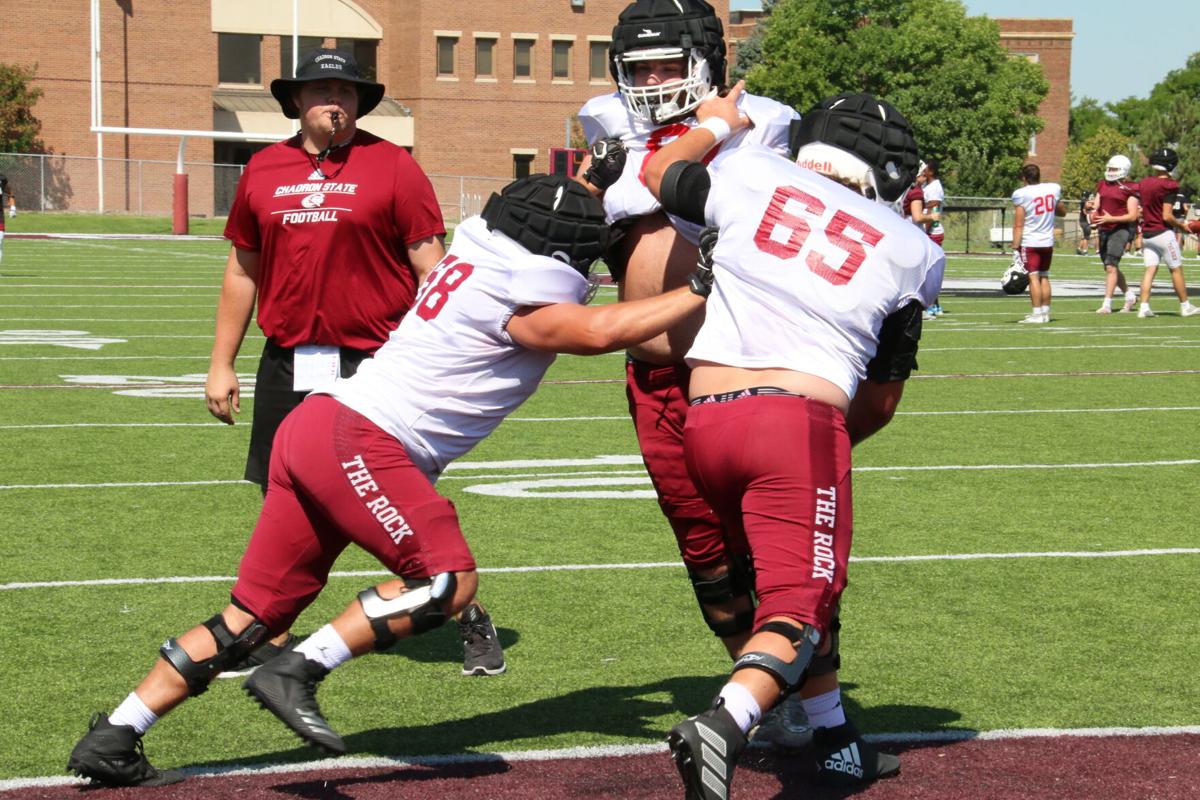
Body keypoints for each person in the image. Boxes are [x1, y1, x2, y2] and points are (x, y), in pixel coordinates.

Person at [66, 174, 715, 787]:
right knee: (446, 579)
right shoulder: (521, 300)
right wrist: (699, 285)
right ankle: (299, 670)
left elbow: (554, 251)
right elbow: (599, 330)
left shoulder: (483, 262)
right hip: (360, 440)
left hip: (318, 428)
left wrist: (594, 180)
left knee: (253, 615)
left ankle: (117, 733)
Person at [575, 0, 894, 779]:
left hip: (740, 369)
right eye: (637, 68)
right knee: (710, 561)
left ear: (707, 64)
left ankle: (823, 716)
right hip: (651, 383)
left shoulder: (762, 126)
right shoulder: (603, 129)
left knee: (787, 556)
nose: (649, 82)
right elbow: (585, 236)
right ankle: (778, 693)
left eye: (664, 65)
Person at [643, 87, 943, 800]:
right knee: (799, 603)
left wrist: (715, 122)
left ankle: (837, 740)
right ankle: (724, 723)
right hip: (795, 422)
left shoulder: (749, 173)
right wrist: (827, 444)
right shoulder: (913, 249)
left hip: (706, 418)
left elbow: (659, 173)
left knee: (796, 585)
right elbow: (883, 394)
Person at [203, 47, 505, 678]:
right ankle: (269, 633)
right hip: (287, 360)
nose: (332, 99)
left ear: (361, 101)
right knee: (281, 495)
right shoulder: (262, 169)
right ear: (296, 100)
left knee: (396, 498)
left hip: (375, 361)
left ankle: (465, 612)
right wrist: (221, 362)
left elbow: (433, 267)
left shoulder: (393, 167)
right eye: (319, 89)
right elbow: (241, 270)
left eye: (345, 89)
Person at [1133, 148, 1199, 317]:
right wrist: (1182, 226)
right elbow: (1167, 215)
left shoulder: (1145, 182)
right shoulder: (1170, 185)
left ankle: (1144, 307)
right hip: (1163, 233)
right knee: (1176, 269)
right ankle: (1185, 306)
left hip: (1147, 234)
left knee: (1150, 270)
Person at [1010, 163, 1064, 324]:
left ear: (1024, 178)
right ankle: (1045, 313)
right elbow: (1062, 211)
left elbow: (1019, 224)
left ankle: (1037, 313)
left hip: (1030, 241)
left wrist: (1014, 247)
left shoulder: (1022, 194)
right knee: (1044, 276)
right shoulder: (1052, 189)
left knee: (1033, 278)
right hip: (1047, 241)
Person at [1092, 154, 1141, 314]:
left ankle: (1107, 304)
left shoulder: (1130, 189)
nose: (1111, 171)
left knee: (1111, 266)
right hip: (1104, 229)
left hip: (1119, 229)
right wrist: (1092, 211)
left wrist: (1111, 218)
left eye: (1114, 169)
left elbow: (1133, 215)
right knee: (1110, 267)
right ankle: (1129, 295)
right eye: (1110, 168)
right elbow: (1097, 204)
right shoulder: (1103, 184)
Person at [920, 159, 946, 316]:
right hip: (930, 231)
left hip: (932, 231)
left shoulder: (935, 187)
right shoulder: (928, 185)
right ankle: (936, 305)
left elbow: (933, 209)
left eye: (925, 168)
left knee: (928, 270)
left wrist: (925, 230)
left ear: (931, 171)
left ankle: (930, 305)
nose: (923, 170)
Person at [1078, 191, 1095, 255]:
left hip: (1082, 221)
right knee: (1086, 237)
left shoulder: (1083, 202)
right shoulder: (1084, 202)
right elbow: (1087, 208)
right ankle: (1085, 251)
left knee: (1084, 237)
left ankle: (1079, 249)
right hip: (1085, 222)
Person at [0, 174, 9, 263]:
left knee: (0, 240)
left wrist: (13, 207)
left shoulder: (2, 178)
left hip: (0, 215)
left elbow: (9, 191)